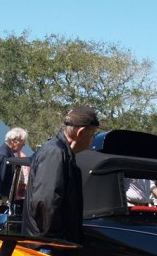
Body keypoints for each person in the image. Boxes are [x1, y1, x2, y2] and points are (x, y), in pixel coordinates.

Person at [23, 106, 100, 248]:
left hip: (49, 243)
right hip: (47, 246)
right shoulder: (56, 153)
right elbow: (45, 201)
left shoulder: (62, 152)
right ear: (81, 132)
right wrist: (56, 239)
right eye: (93, 134)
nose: (92, 139)